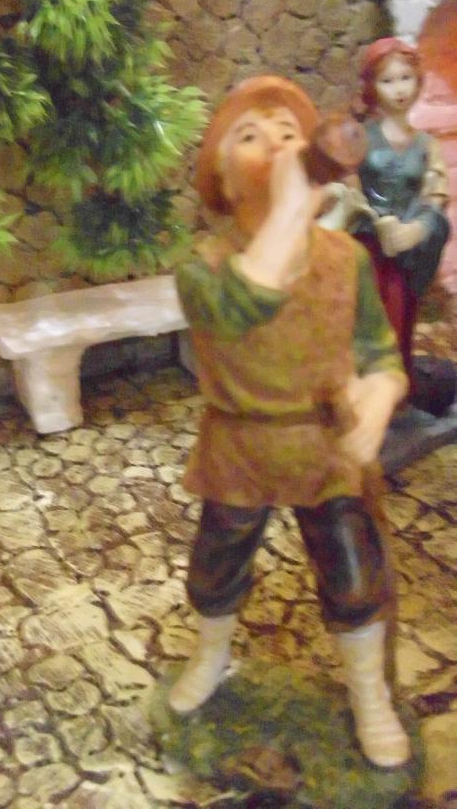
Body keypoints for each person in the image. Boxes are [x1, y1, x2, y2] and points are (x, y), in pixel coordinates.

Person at [170, 76, 411, 769]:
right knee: (216, 565)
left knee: (353, 573)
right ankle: (210, 656)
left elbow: (379, 353)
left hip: (324, 442)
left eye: (287, 134)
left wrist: (376, 401)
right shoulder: (202, 268)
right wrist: (289, 209)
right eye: (249, 136)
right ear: (222, 177)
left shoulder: (346, 259)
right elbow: (244, 305)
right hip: (240, 442)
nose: (276, 145)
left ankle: (368, 693)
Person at [351, 38, 450, 390]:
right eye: (387, 80)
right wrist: (370, 219)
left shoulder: (426, 145)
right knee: (365, 320)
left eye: (405, 78)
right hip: (365, 248)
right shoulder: (360, 137)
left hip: (406, 255)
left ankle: (395, 394)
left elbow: (435, 197)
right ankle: (361, 391)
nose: (398, 89)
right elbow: (347, 185)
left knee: (400, 318)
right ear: (372, 87)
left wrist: (416, 231)